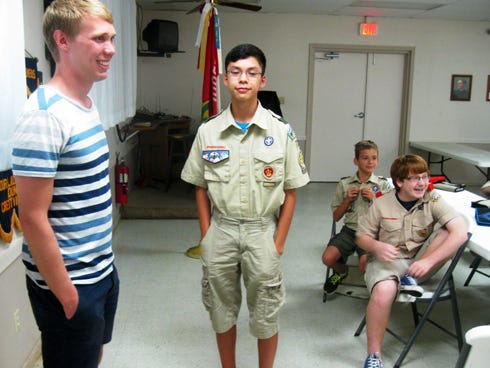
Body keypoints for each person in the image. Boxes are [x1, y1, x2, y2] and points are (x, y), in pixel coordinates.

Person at [181, 43, 310, 368]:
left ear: (262, 80)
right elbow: (199, 186)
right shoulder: (208, 131)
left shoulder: (281, 133)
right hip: (221, 231)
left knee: (266, 313)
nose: (243, 79)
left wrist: (278, 242)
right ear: (225, 79)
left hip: (262, 231)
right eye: (236, 72)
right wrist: (206, 233)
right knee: (221, 313)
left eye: (251, 73)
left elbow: (292, 191)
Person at [12, 1, 119, 367]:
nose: (111, 49)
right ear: (63, 40)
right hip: (71, 282)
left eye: (112, 38)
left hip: (100, 269)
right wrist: (67, 294)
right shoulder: (45, 114)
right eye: (100, 39)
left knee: (91, 358)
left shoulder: (85, 104)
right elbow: (32, 217)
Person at [356, 154, 467, 368]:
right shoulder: (381, 203)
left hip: (419, 263)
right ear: (399, 182)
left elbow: (461, 233)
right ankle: (374, 355)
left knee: (448, 229)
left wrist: (428, 261)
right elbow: (362, 237)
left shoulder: (432, 199)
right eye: (415, 178)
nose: (423, 183)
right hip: (387, 261)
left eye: (425, 177)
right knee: (383, 293)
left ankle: (408, 279)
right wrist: (377, 246)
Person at [322, 140, 391, 296]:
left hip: (370, 233)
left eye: (374, 158)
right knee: (327, 258)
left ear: (378, 160)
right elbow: (336, 216)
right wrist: (346, 200)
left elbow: (389, 217)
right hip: (349, 231)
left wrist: (375, 199)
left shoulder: (383, 185)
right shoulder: (345, 183)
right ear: (356, 161)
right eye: (365, 158)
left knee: (364, 264)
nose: (370, 162)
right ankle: (341, 271)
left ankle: (376, 288)